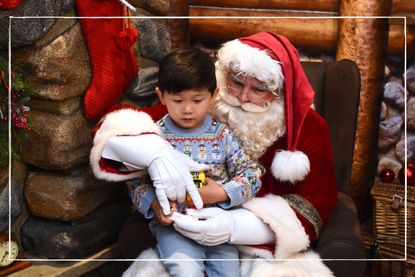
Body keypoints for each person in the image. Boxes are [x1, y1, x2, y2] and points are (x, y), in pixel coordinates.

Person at [90, 31, 337, 276]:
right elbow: (117, 126)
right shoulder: (201, 106)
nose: (241, 97)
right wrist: (156, 153)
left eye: (259, 89)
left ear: (279, 92)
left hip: (256, 242)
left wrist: (232, 225)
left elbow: (314, 205)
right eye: (237, 82)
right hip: (178, 229)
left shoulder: (309, 128)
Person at [126, 48, 263, 277]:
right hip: (175, 227)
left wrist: (221, 193)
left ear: (214, 95)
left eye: (197, 100)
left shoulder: (221, 135)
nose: (188, 109)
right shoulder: (153, 136)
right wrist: (153, 204)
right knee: (185, 270)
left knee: (229, 273)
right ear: (161, 96)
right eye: (178, 100)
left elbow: (252, 174)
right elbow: (134, 180)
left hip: (219, 223)